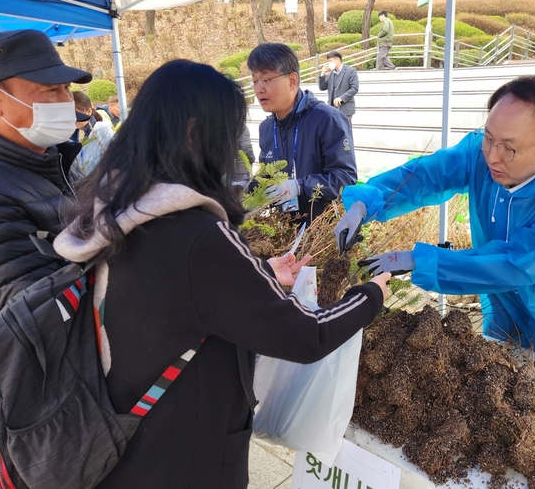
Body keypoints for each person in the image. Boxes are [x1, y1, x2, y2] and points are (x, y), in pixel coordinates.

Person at [52, 59, 391, 488]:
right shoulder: (198, 233)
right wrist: (370, 295)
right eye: (227, 132)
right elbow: (305, 336)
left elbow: (175, 297)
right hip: (186, 453)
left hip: (124, 438)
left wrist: (257, 273)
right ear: (196, 132)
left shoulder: (119, 206)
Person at [334, 75, 535, 375]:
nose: (493, 156)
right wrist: (367, 200)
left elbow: (515, 263)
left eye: (509, 147)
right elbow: (426, 176)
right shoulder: (483, 154)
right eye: (488, 137)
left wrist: (420, 260)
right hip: (505, 312)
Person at [0, 29, 91, 311]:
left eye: (66, 89)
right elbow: (36, 312)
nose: (65, 101)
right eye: (51, 90)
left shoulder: (57, 160)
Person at [248, 43, 357, 222]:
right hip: (283, 232)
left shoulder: (327, 119)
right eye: (254, 81)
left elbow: (345, 179)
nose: (259, 89)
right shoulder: (267, 128)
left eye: (266, 80)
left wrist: (300, 186)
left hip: (323, 235)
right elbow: (268, 175)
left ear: (292, 80)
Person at [72, 90, 115, 175]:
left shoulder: (102, 131)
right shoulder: (75, 133)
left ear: (88, 111)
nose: (72, 118)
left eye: (75, 113)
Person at [318, 50, 359, 128]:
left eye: (330, 61)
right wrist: (323, 74)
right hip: (332, 109)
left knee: (346, 132)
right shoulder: (331, 74)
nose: (329, 63)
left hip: (345, 108)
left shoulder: (350, 71)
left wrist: (341, 98)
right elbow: (322, 87)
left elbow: (354, 88)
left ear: (337, 60)